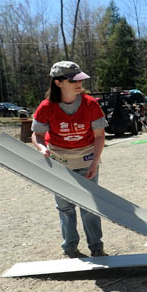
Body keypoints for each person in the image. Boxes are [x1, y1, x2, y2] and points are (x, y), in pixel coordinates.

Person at [31, 61, 108, 258]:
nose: (78, 84)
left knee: (90, 206)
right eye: (73, 80)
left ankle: (96, 247)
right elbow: (37, 134)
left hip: (86, 159)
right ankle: (70, 248)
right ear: (58, 83)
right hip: (59, 161)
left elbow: (99, 136)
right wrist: (41, 148)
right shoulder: (46, 107)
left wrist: (94, 163)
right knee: (65, 207)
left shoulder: (90, 104)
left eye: (80, 79)